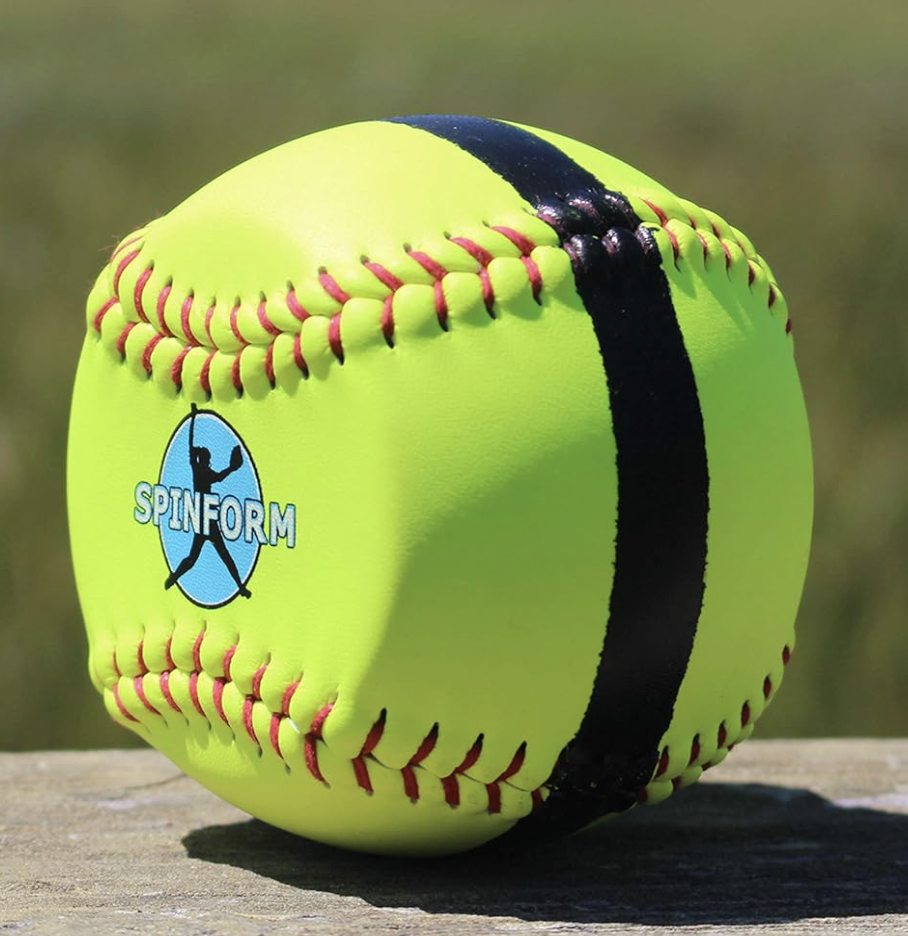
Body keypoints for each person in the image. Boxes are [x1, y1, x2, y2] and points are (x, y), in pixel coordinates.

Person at [164, 403, 251, 598]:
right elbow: (192, 448)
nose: (206, 460)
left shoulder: (200, 470)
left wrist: (193, 418)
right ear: (203, 459)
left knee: (215, 556)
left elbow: (191, 445)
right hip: (205, 521)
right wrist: (232, 468)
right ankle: (174, 577)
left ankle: (239, 587)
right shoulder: (201, 471)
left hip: (207, 520)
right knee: (207, 557)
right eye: (205, 458)